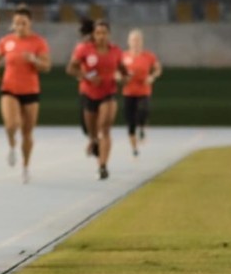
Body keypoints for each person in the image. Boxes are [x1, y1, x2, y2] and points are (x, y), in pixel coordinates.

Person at [0, 4, 51, 183]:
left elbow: (46, 66)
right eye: (17, 23)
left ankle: (25, 166)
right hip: (9, 89)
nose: (20, 26)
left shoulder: (38, 42)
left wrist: (34, 60)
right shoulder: (6, 41)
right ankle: (11, 145)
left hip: (30, 90)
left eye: (23, 23)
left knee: (27, 132)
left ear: (29, 23)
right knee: (11, 125)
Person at [66, 20, 129, 180]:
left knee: (105, 128)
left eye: (104, 33)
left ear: (109, 34)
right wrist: (87, 76)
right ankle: (93, 141)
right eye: (98, 33)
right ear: (93, 35)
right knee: (92, 131)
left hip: (109, 93)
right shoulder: (84, 49)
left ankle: (103, 166)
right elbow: (71, 69)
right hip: (89, 94)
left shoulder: (115, 51)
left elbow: (124, 73)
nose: (101, 36)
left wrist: (123, 79)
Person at [121, 28, 162, 156]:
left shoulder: (148, 56)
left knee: (143, 111)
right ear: (128, 41)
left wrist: (152, 77)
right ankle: (134, 149)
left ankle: (143, 127)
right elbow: (116, 71)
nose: (136, 42)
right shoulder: (124, 56)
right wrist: (121, 78)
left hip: (143, 91)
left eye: (138, 40)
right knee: (130, 122)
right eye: (133, 40)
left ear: (142, 42)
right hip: (128, 92)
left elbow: (158, 69)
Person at [74, 17, 96, 147]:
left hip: (102, 89)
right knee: (85, 124)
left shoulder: (101, 47)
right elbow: (74, 67)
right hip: (86, 89)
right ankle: (93, 139)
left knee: (99, 121)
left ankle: (96, 142)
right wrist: (83, 75)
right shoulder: (81, 48)